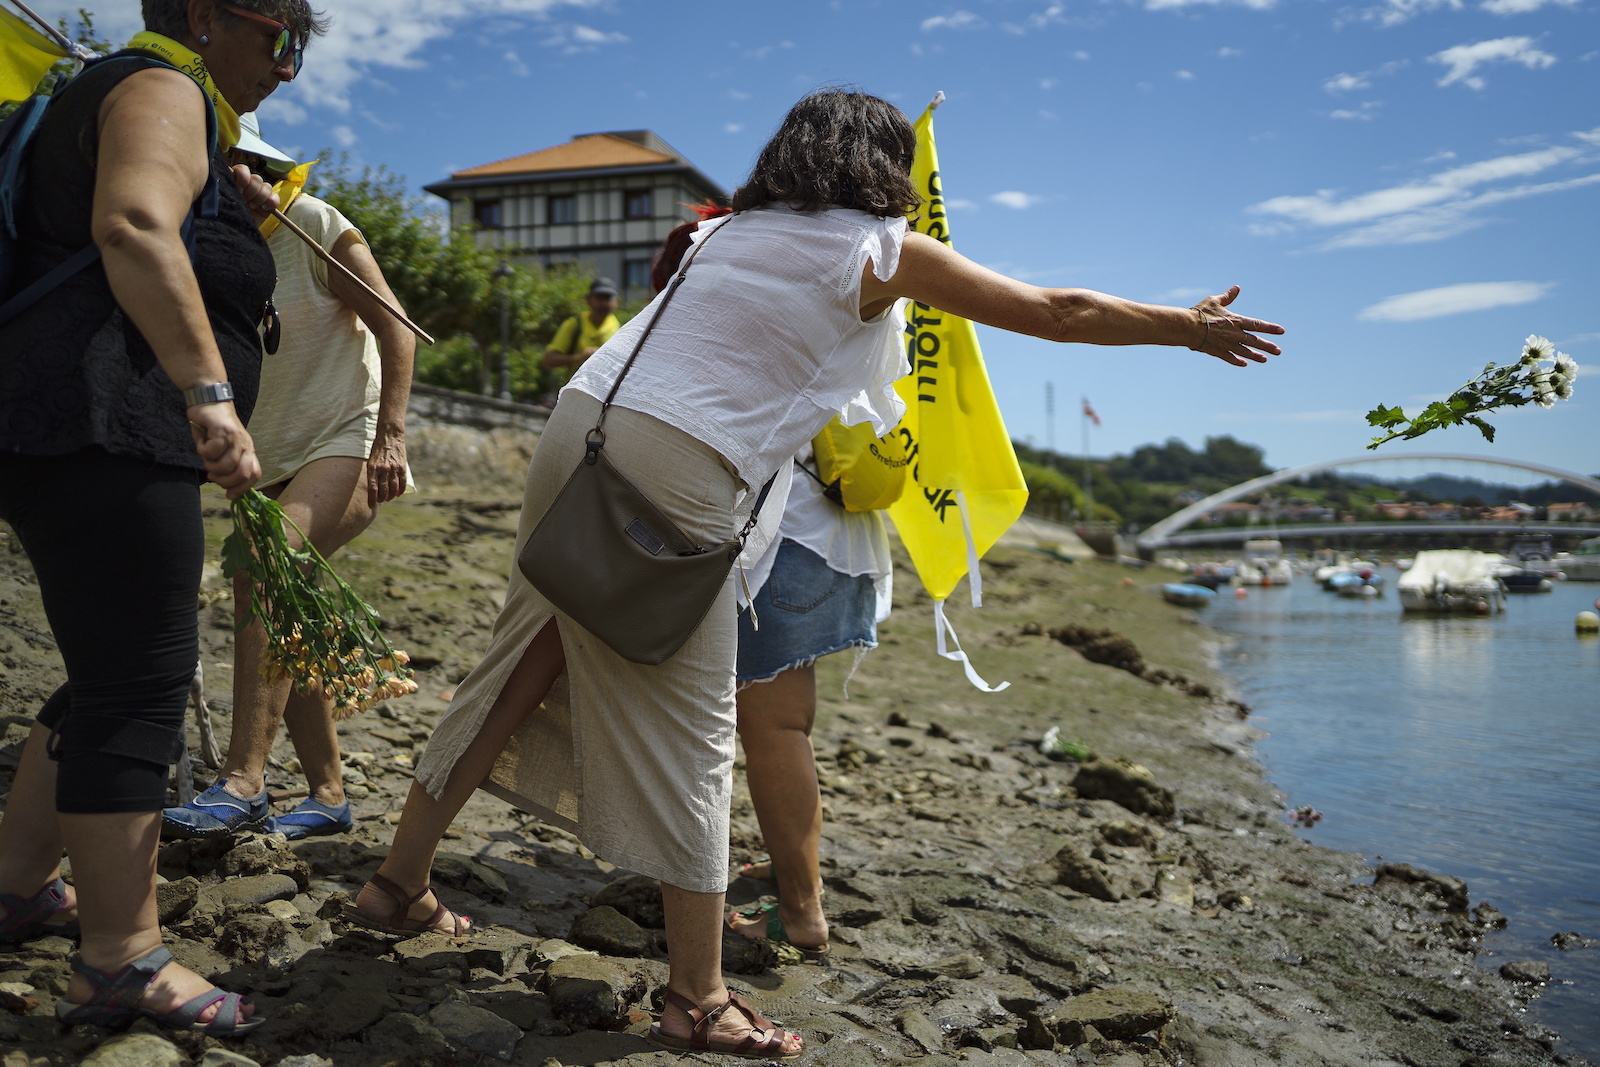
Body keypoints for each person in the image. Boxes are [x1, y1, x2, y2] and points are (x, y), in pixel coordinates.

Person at [346, 87, 1282, 1060]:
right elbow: (1058, 311)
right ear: (884, 168)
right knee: (696, 725)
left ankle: (396, 882)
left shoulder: (723, 233)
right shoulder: (877, 247)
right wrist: (1185, 325)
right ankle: (699, 997)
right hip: (679, 459)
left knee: (521, 661)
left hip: (576, 426)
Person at [0, 0, 325, 1036]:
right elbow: (133, 225)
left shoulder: (148, 101)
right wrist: (210, 394)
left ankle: (16, 886)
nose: (288, 68)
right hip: (108, 421)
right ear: (208, 16)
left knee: (110, 667)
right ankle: (121, 958)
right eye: (283, 40)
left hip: (71, 424)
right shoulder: (161, 85)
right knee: (139, 682)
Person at [162, 113, 417, 842]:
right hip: (267, 454)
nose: (245, 181)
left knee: (264, 569)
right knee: (289, 605)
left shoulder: (316, 226)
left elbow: (396, 327)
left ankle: (243, 781)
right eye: (228, 166)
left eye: (256, 168)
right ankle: (330, 794)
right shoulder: (207, 245)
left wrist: (392, 437)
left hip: (347, 438)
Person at [538, 277, 620, 384]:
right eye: (600, 298)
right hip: (577, 389)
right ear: (588, 299)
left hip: (607, 391)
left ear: (616, 301)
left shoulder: (622, 329)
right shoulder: (574, 324)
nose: (604, 303)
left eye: (608, 298)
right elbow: (547, 360)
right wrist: (579, 357)